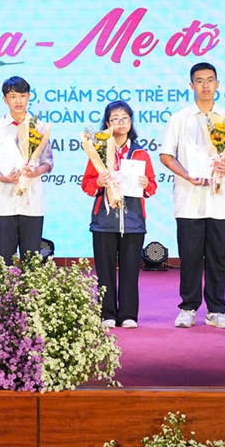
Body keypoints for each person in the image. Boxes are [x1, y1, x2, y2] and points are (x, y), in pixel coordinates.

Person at [159, 62, 225, 330]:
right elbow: (166, 155)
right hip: (189, 199)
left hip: (220, 201)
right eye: (199, 80)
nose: (205, 85)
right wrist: (186, 175)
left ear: (218, 84)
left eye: (210, 80)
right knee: (190, 257)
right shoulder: (180, 118)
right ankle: (188, 308)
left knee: (218, 258)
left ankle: (216, 310)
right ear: (191, 85)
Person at [80, 101, 157, 329]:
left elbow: (152, 187)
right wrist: (99, 182)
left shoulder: (141, 154)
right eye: (115, 119)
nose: (120, 123)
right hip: (104, 221)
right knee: (104, 271)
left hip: (133, 221)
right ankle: (107, 314)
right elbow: (87, 185)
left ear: (131, 122)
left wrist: (145, 184)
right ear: (107, 123)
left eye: (125, 118)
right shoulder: (98, 153)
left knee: (130, 271)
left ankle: (128, 315)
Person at [0, 76, 53, 265]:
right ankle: (5, 286)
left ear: (29, 96)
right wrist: (1, 177)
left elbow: (48, 160)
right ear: (5, 99)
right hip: (5, 200)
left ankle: (30, 285)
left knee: (31, 260)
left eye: (22, 95)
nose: (18, 101)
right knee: (4, 259)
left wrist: (37, 171)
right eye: (13, 97)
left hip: (32, 201)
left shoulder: (40, 127)